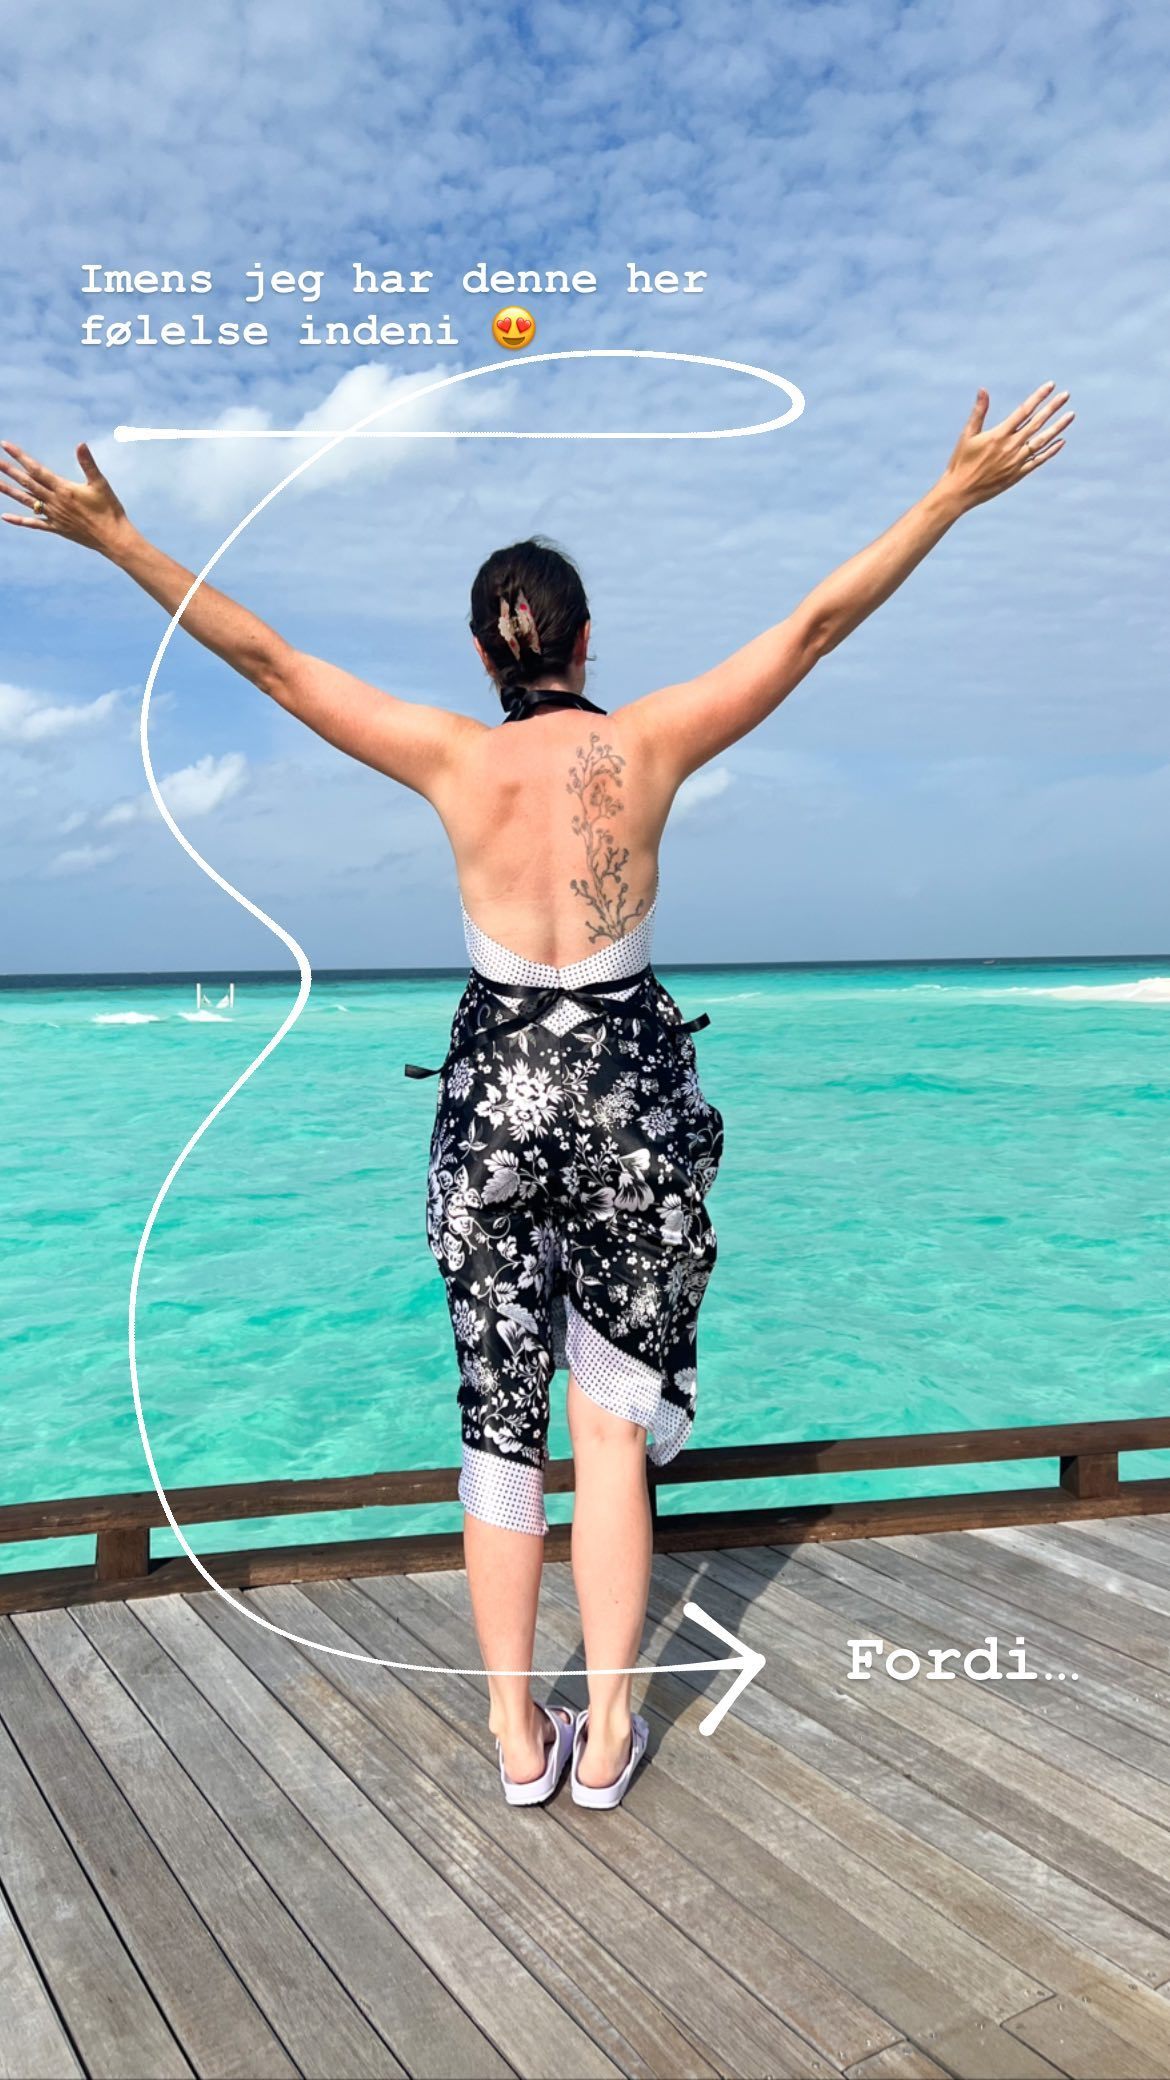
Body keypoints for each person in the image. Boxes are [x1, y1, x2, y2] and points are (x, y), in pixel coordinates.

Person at [1, 378, 1072, 1805]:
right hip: (627, 1093)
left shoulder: (452, 756)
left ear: (480, 652)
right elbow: (815, 626)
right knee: (608, 1425)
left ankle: (517, 1740)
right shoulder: (652, 742)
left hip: (495, 1094)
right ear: (584, 638)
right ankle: (609, 1732)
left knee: (499, 1420)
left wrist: (117, 539)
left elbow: (269, 663)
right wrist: (949, 494)